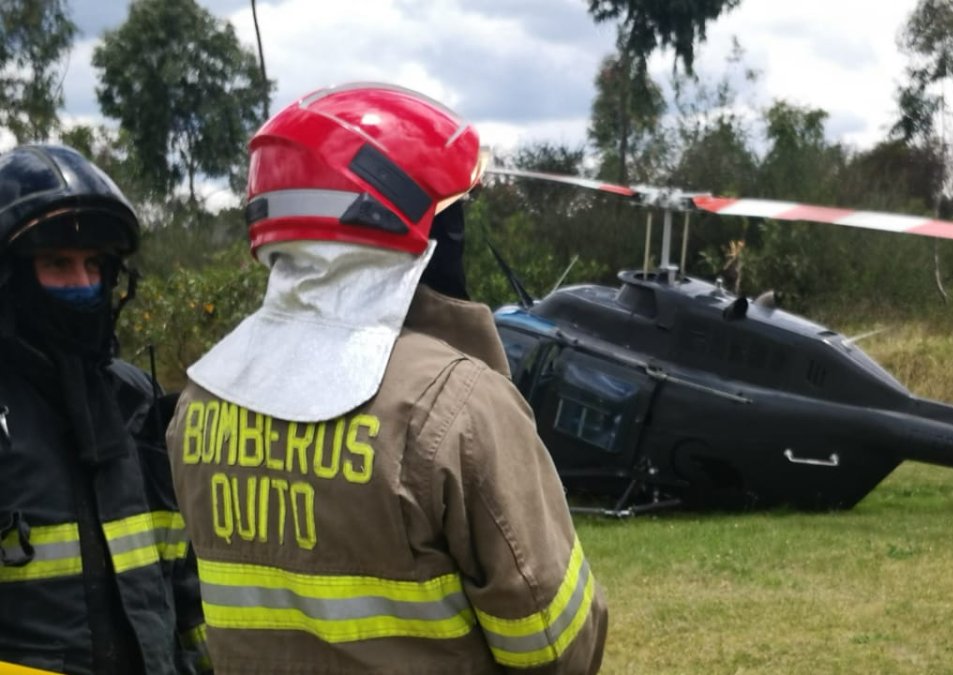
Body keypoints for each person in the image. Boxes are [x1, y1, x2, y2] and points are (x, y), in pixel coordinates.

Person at [165, 83, 608, 674]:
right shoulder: (460, 408)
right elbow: (555, 646)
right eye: (455, 214)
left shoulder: (198, 403)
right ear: (424, 231)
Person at [0, 144, 210, 674]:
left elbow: (182, 584)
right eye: (56, 263)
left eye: (93, 264)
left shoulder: (133, 400)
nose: (82, 284)